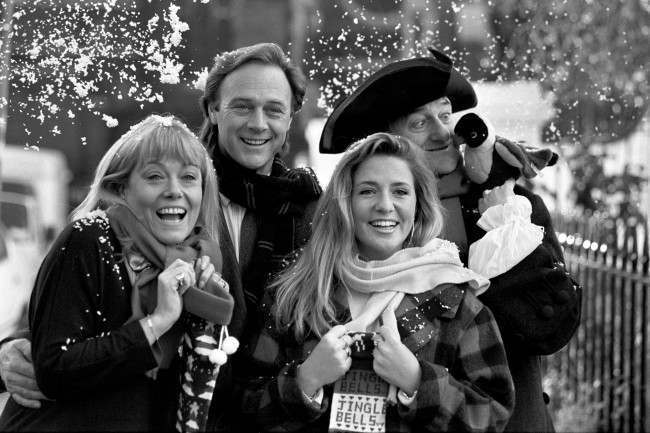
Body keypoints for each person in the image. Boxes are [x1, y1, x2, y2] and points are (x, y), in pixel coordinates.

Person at [0, 43, 321, 431]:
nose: (258, 123)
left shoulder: (312, 217)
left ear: (290, 118)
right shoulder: (163, 191)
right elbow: (68, 301)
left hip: (260, 415)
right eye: (241, 106)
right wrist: (8, 352)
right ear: (214, 110)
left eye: (274, 109)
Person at [319, 49, 582, 432]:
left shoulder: (513, 207)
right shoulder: (367, 220)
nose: (443, 132)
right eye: (419, 123)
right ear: (389, 140)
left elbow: (552, 328)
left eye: (444, 115)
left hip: (511, 419)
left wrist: (506, 237)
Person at [239, 132, 515, 432]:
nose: (385, 205)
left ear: (418, 203)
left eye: (400, 192)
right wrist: (305, 381)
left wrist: (417, 381)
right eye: (368, 191)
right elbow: (244, 408)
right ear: (345, 201)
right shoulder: (294, 293)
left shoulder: (456, 302)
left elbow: (493, 417)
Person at [0, 114, 234, 431]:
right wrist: (157, 321)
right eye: (155, 177)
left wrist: (200, 310)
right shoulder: (90, 239)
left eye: (189, 177)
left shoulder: (202, 265)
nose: (174, 190)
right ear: (119, 188)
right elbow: (55, 366)